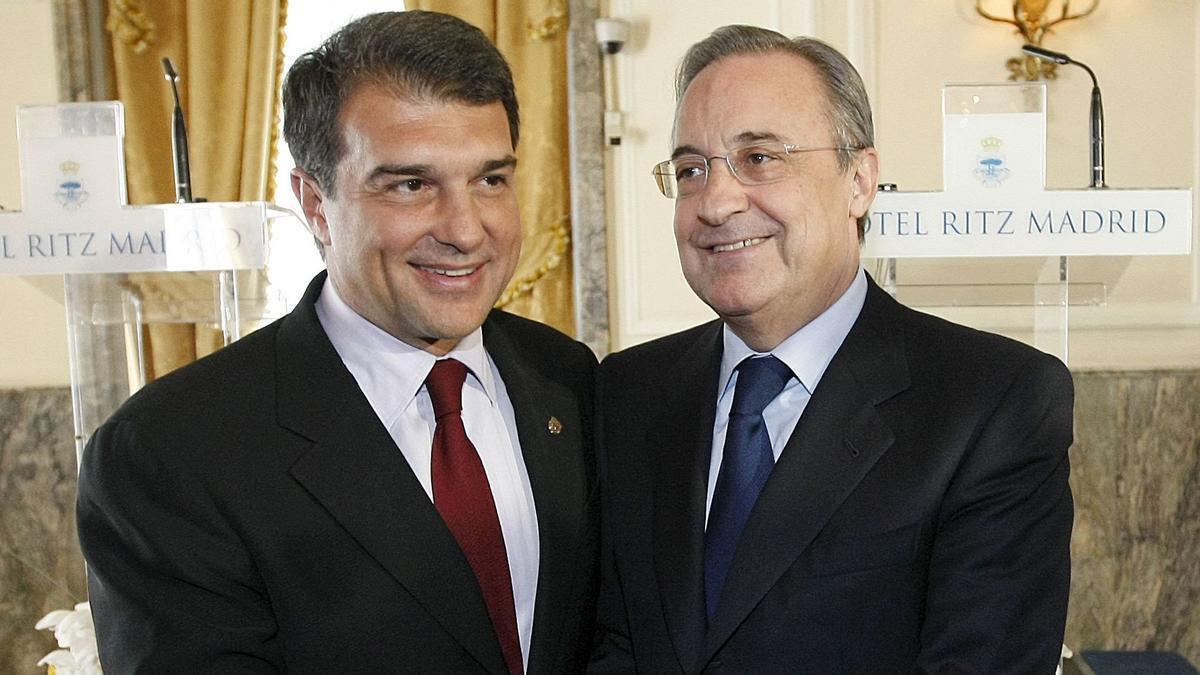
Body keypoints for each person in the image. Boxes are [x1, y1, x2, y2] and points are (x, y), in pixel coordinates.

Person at [77, 11, 598, 674]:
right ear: (315, 201)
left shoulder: (566, 377)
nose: (467, 230)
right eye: (412, 184)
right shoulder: (170, 452)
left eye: (490, 179)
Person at [590, 25, 1073, 674]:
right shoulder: (628, 391)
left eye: (759, 157)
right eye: (690, 170)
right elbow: (609, 644)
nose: (715, 201)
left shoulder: (992, 402)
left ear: (859, 180)